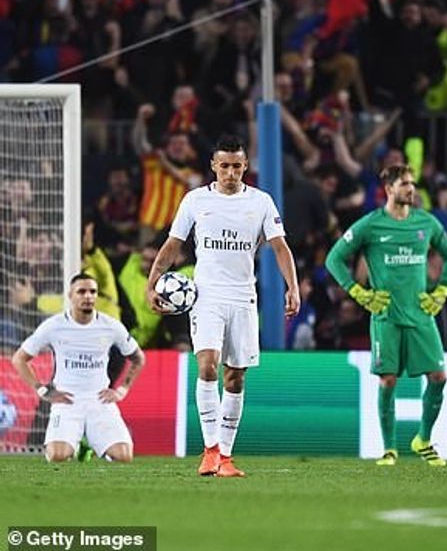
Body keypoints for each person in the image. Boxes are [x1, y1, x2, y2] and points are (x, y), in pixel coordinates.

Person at [145, 135, 300, 478]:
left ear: (246, 166)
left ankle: (225, 457)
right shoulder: (195, 200)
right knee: (208, 366)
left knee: (235, 376)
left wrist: (293, 286)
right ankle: (210, 450)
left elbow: (279, 247)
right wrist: (151, 282)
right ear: (213, 166)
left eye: (237, 166)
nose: (231, 172)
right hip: (207, 296)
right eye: (224, 166)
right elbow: (173, 245)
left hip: (243, 297)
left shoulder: (261, 202)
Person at [325, 165, 447, 467]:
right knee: (388, 381)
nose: (411, 189)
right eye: (404, 184)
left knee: (439, 377)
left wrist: (442, 290)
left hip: (421, 316)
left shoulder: (426, 222)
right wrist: (357, 292)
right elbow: (334, 258)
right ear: (388, 189)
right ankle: (389, 449)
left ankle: (423, 440)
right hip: (385, 316)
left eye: (413, 183)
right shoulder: (371, 225)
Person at [11, 273, 145, 463]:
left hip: (99, 400)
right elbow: (19, 359)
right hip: (67, 401)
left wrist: (122, 390)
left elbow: (138, 358)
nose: (88, 296)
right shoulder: (53, 326)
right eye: (81, 292)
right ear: (70, 296)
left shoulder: (111, 326)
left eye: (92, 292)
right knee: (57, 456)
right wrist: (42, 390)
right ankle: (77, 444)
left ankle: (88, 443)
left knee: (124, 457)